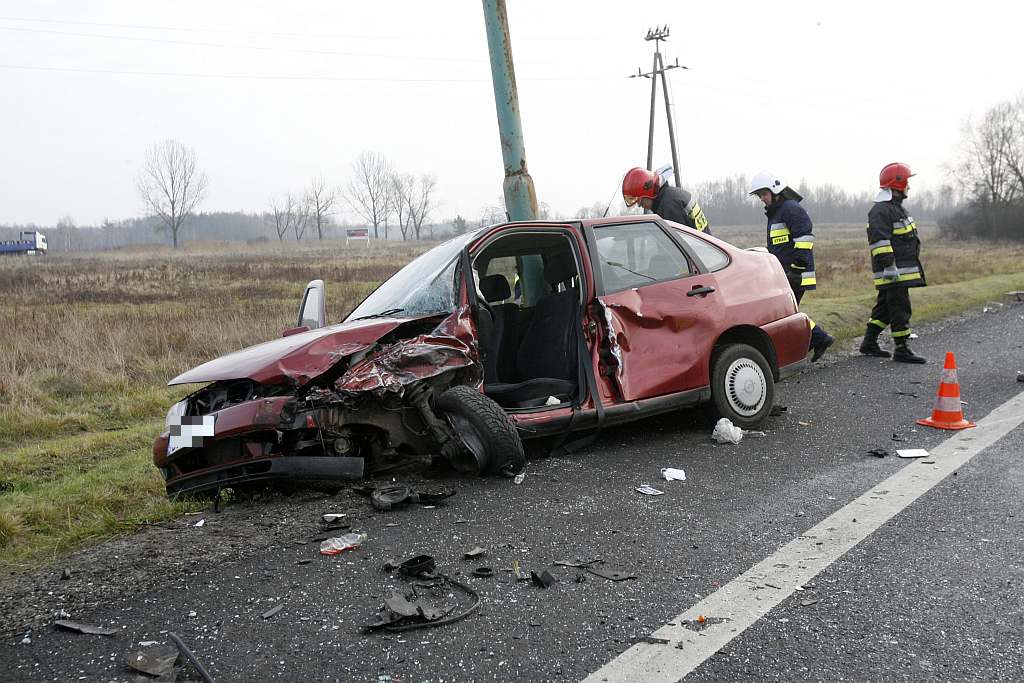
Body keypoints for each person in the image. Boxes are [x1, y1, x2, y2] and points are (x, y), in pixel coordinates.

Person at [748, 171, 834, 362]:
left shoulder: (790, 209)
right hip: (785, 273)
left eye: (763, 194)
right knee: (786, 312)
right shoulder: (777, 212)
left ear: (775, 190)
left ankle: (815, 341)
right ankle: (818, 339)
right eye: (759, 195)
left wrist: (796, 268)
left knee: (784, 313)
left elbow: (804, 238)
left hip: (796, 273)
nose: (762, 199)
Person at [860, 162, 927, 363]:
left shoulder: (895, 209)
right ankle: (902, 348)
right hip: (893, 271)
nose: (909, 186)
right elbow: (879, 241)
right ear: (898, 183)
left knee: (885, 308)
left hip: (899, 270)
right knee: (900, 308)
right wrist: (889, 266)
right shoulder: (882, 211)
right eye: (907, 182)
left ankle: (869, 342)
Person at [621, 167, 711, 233]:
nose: (640, 206)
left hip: (700, 254)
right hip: (704, 251)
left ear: (649, 193)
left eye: (641, 201)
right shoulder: (671, 195)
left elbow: (677, 244)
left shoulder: (669, 206)